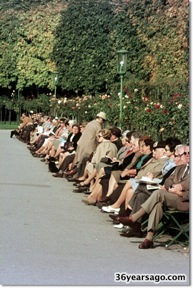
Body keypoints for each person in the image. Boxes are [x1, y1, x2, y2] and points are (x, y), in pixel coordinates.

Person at [120, 146, 189, 249]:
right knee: (157, 204)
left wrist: (179, 191)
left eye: (188, 153)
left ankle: (133, 217)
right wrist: (172, 187)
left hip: (184, 201)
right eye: (185, 154)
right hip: (170, 195)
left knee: (158, 193)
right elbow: (168, 180)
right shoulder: (181, 167)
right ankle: (149, 238)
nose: (186, 155)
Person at [65, 112, 106, 178]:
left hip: (81, 142)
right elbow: (98, 137)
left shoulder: (90, 123)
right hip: (89, 145)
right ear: (100, 119)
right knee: (82, 160)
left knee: (77, 158)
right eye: (103, 120)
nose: (103, 122)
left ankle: (70, 171)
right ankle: (76, 175)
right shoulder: (97, 126)